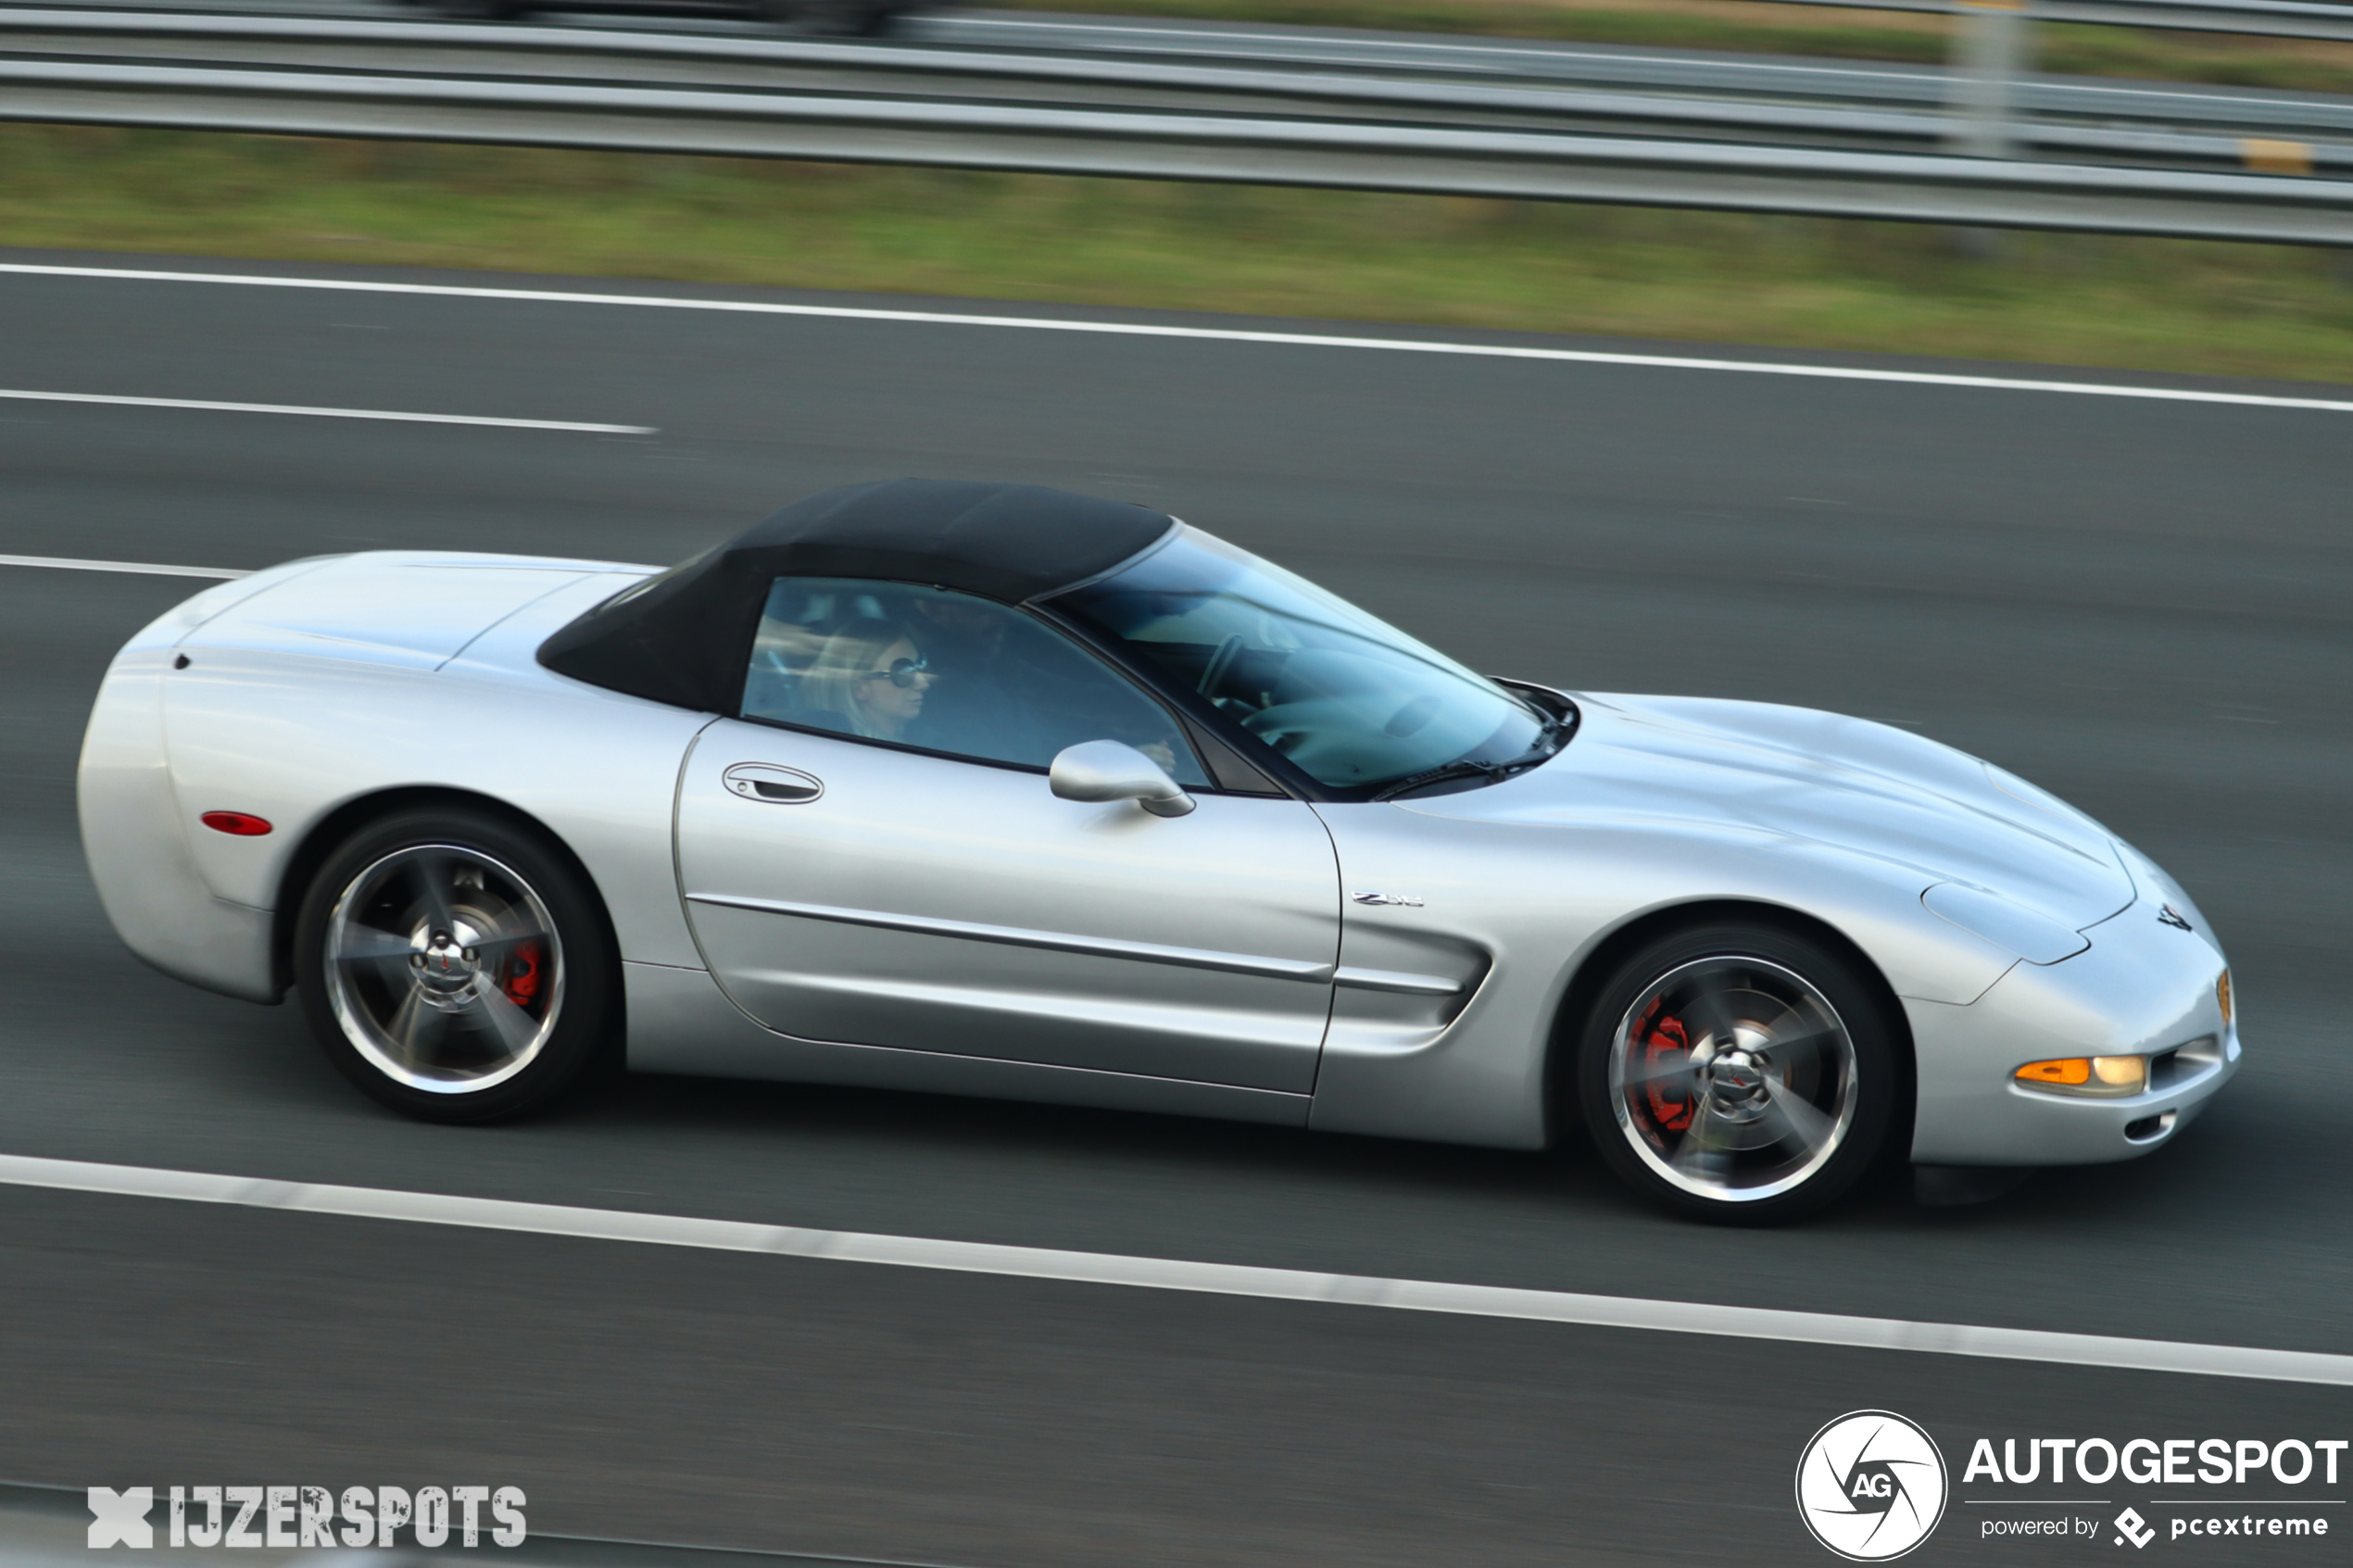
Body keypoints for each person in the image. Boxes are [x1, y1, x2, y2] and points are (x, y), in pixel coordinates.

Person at [796, 619, 934, 742]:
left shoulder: (929, 739)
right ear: (859, 688)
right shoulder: (823, 745)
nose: (923, 684)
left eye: (920, 665)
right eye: (903, 672)